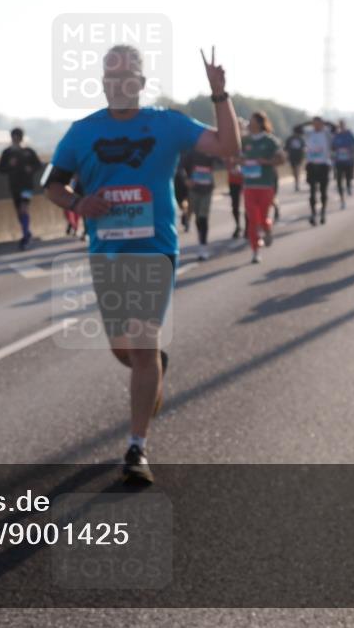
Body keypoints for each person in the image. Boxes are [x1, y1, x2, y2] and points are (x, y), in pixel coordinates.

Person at [42, 44, 239, 484]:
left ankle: (136, 448)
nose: (119, 82)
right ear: (102, 82)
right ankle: (150, 373)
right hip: (106, 252)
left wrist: (220, 95)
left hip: (154, 250)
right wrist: (77, 202)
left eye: (128, 75)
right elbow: (52, 186)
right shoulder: (81, 132)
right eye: (112, 76)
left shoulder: (167, 124)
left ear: (141, 82)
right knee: (123, 349)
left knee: (144, 345)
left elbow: (227, 146)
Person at [238, 112, 285, 263]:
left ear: (259, 123)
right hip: (249, 185)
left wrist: (266, 161)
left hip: (265, 185)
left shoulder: (270, 140)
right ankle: (255, 251)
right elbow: (236, 158)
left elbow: (281, 159)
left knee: (263, 218)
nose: (249, 124)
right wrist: (241, 162)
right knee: (252, 219)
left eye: (252, 122)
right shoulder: (244, 141)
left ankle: (267, 229)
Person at [0, 127, 42, 249]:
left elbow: (38, 165)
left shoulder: (28, 151)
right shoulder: (7, 153)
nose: (16, 139)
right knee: (19, 211)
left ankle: (26, 237)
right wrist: (9, 165)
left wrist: (30, 169)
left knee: (24, 209)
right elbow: (1, 169)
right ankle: (26, 232)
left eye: (18, 137)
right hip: (14, 186)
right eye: (14, 137)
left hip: (27, 186)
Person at [293, 116, 336, 225]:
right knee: (312, 192)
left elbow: (335, 128)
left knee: (323, 191)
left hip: (323, 165)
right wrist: (309, 122)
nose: (316, 125)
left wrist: (324, 122)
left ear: (322, 124)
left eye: (318, 123)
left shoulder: (327, 133)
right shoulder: (309, 133)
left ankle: (322, 213)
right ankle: (313, 213)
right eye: (314, 124)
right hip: (311, 165)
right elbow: (296, 129)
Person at [183, 147, 222, 260]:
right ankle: (199, 238)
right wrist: (186, 180)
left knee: (203, 217)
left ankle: (203, 246)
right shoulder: (191, 152)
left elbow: (221, 161)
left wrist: (217, 152)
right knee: (198, 218)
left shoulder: (211, 151)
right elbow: (180, 168)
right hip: (194, 189)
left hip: (207, 190)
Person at [331, 118, 354, 209]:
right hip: (339, 161)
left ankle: (349, 186)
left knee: (348, 178)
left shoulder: (349, 134)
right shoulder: (336, 135)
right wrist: (335, 151)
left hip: (349, 161)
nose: (341, 127)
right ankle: (342, 200)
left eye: (343, 125)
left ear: (345, 125)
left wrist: (352, 151)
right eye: (340, 125)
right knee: (339, 181)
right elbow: (332, 147)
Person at [285, 125, 306, 192]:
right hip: (292, 156)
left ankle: (297, 183)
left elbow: (304, 147)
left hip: (299, 156)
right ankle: (296, 182)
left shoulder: (300, 139)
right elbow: (286, 148)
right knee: (294, 170)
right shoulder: (290, 139)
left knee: (297, 169)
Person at [226, 157, 243, 239]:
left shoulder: (246, 149)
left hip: (246, 181)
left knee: (248, 205)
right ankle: (238, 226)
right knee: (235, 206)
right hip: (233, 183)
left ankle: (248, 228)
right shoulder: (228, 152)